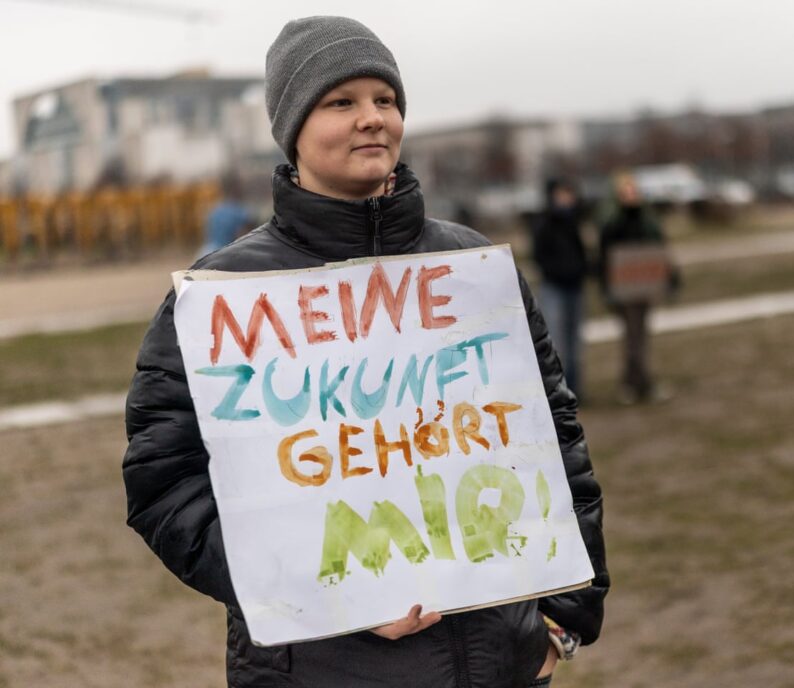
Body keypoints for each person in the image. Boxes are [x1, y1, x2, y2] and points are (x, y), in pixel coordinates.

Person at [123, 16, 608, 688]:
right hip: (320, 669)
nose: (372, 118)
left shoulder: (470, 267)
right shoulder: (223, 296)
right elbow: (164, 483)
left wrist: (562, 618)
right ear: (293, 128)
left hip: (502, 662)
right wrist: (325, 595)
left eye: (385, 99)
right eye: (340, 102)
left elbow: (555, 434)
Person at [598, 172, 677, 403]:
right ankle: (635, 383)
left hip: (644, 285)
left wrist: (669, 277)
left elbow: (659, 248)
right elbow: (605, 256)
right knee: (633, 335)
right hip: (624, 289)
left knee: (640, 335)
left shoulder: (647, 220)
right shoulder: (613, 222)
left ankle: (636, 381)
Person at [532, 178, 588, 399]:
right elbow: (539, 255)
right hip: (554, 288)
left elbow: (580, 251)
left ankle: (575, 388)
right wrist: (558, 271)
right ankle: (558, 391)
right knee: (557, 342)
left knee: (575, 342)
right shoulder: (544, 223)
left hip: (575, 287)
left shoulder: (574, 221)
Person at [196, 173, 255, 259]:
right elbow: (244, 238)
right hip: (227, 255)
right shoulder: (241, 212)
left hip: (206, 253)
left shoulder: (214, 210)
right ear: (237, 189)